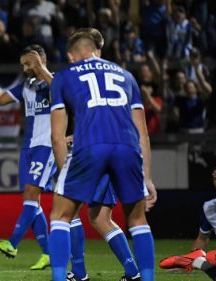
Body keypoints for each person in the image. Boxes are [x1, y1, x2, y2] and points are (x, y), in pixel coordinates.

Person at [48, 30, 156, 281]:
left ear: (71, 56)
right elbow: (143, 133)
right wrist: (147, 178)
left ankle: (59, 278)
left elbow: (56, 136)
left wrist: (68, 174)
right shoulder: (127, 76)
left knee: (61, 215)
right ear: (97, 51)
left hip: (90, 146)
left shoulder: (64, 76)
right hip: (128, 147)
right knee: (138, 219)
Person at [0, 45, 55, 270]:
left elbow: (62, 91)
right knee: (32, 200)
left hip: (47, 145)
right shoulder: (26, 86)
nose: (25, 69)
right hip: (28, 147)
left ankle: (12, 243)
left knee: (32, 194)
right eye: (23, 64)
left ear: (41, 59)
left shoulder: (57, 81)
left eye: (28, 63)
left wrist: (40, 67)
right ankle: (48, 254)